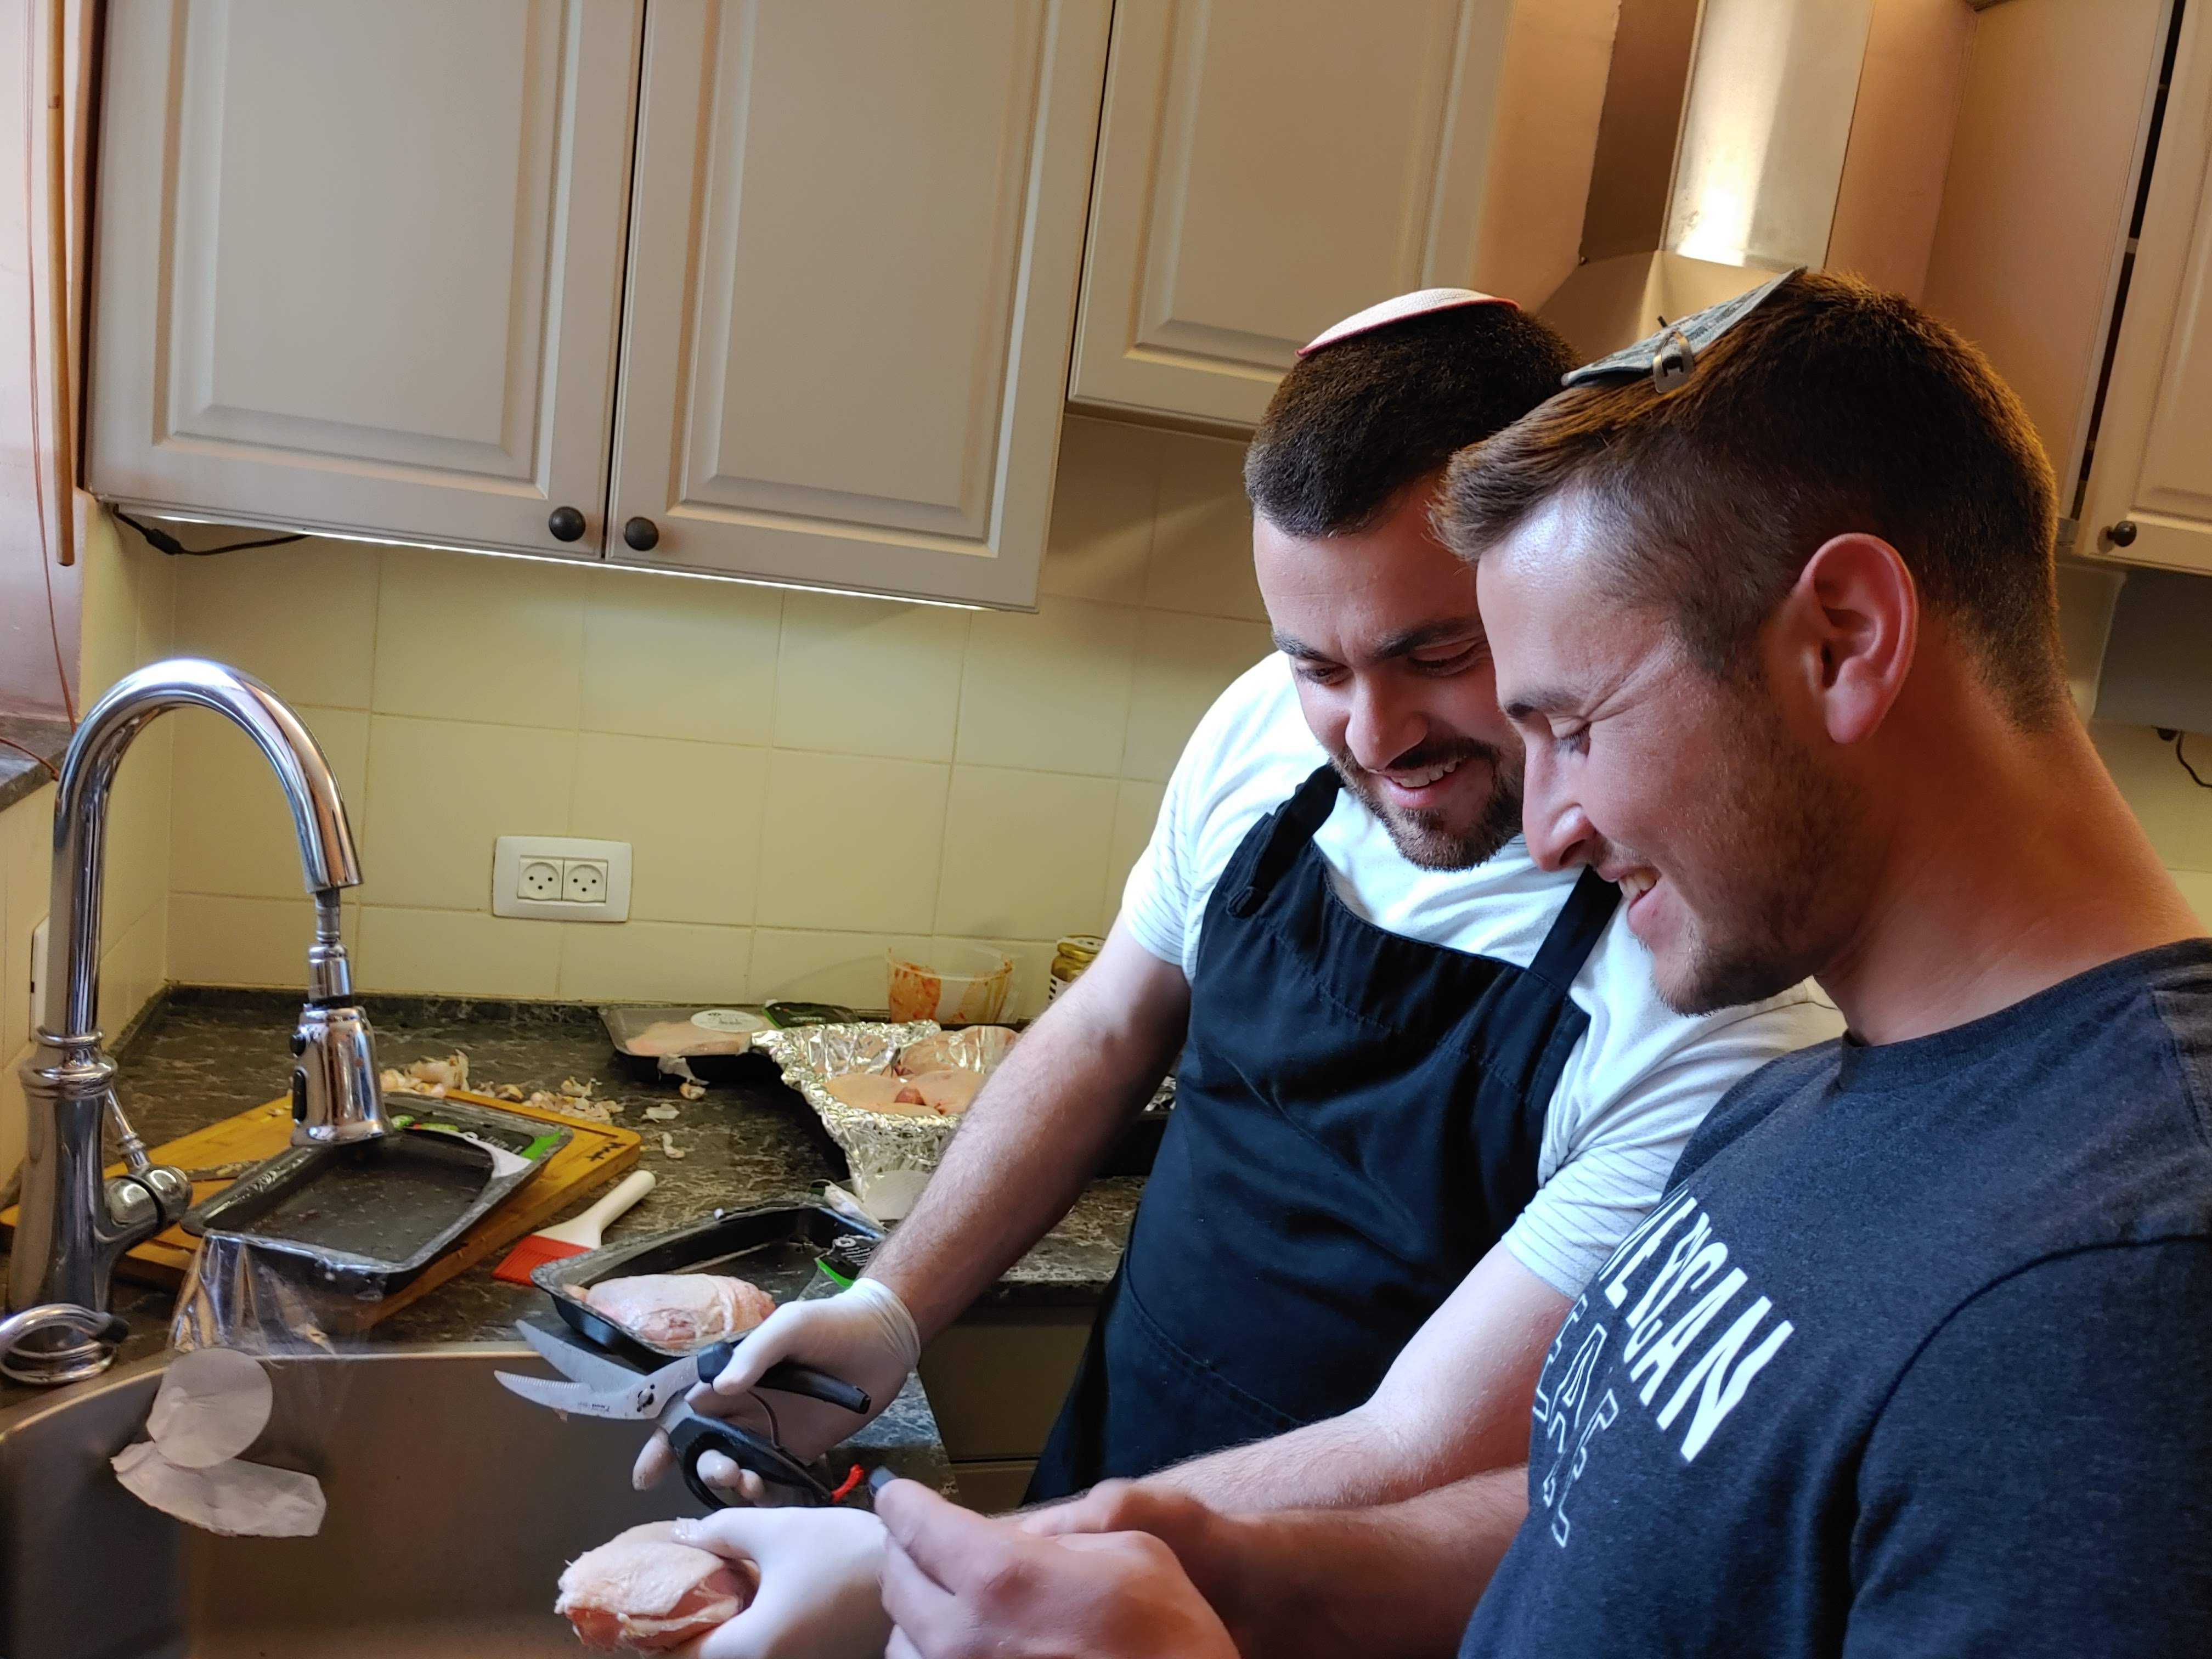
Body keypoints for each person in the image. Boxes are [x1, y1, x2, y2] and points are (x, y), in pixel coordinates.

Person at [809, 269, 2212, 1658]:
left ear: (1844, 641)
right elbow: (1595, 1521)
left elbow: (1426, 1448)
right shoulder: (1816, 1114)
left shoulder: (2119, 1289)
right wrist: (1077, 1567)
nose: (1547, 830)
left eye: (1574, 724)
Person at [631, 291, 1836, 1655]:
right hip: (1118, 1458)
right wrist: (889, 1311)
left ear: (1558, 587)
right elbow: (1106, 1029)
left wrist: (924, 1564)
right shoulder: (1264, 733)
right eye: (1317, 664)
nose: (1374, 735)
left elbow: (1422, 1444)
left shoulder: (1707, 996)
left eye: (1439, 654)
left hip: (1355, 1595)